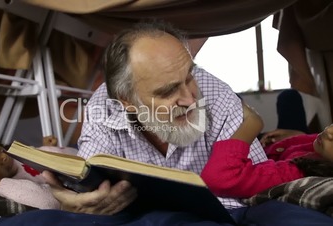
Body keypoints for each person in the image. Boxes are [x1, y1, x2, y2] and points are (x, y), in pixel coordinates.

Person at [40, 20, 333, 225]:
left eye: (189, 76)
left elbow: (257, 187)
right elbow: (88, 175)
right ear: (126, 102)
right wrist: (72, 201)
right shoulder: (103, 106)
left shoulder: (217, 95)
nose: (189, 98)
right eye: (168, 91)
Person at [201, 102, 333, 198]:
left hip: (265, 150)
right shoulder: (323, 147)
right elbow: (310, 140)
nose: (328, 130)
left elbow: (219, 177)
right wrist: (298, 135)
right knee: (289, 97)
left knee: (234, 104)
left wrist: (253, 123)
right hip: (281, 143)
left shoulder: (295, 174)